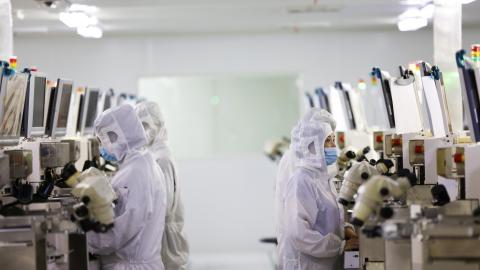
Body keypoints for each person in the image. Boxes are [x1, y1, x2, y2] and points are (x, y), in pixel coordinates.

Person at [276, 109, 358, 270]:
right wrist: (339, 246)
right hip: (308, 264)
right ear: (312, 145)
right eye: (328, 141)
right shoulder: (301, 179)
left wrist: (344, 230)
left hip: (326, 263)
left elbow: (324, 219)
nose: (334, 146)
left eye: (334, 140)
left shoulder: (322, 178)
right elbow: (299, 234)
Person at [88, 104, 167, 270]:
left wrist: (86, 237)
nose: (102, 147)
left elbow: (119, 232)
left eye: (103, 140)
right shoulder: (143, 162)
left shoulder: (135, 172)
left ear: (116, 135)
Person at [135, 101, 190, 270]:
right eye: (140, 126)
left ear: (158, 125)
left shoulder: (162, 157)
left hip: (166, 240)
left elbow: (164, 206)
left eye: (146, 125)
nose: (143, 131)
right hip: (164, 237)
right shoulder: (155, 153)